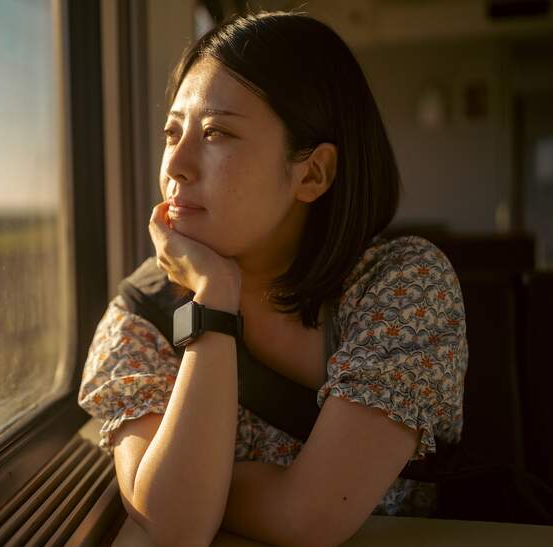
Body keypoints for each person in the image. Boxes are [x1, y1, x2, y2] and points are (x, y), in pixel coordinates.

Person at [77, 11, 468, 546]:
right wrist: (214, 297)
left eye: (216, 132)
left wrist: (201, 487)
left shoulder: (401, 285)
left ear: (311, 173)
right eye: (173, 132)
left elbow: (307, 518)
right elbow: (176, 525)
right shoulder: (143, 311)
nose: (177, 165)